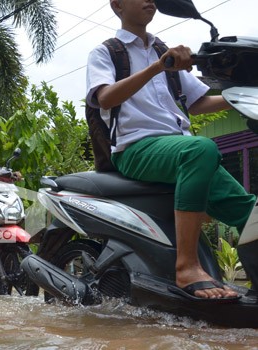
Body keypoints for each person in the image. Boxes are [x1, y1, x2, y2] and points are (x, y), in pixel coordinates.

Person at [86, 0, 256, 299]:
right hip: (135, 150)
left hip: (180, 150)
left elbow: (199, 103)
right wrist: (157, 67)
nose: (149, 0)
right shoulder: (106, 52)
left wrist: (242, 98)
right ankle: (186, 267)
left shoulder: (163, 51)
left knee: (250, 212)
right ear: (117, 5)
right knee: (201, 149)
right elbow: (105, 99)